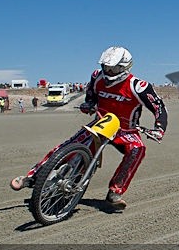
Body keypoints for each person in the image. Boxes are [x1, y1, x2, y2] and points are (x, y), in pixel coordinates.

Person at [10, 46, 168, 209]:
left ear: (124, 67)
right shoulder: (96, 77)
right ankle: (33, 176)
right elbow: (90, 95)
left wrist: (159, 128)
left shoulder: (139, 86)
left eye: (113, 68)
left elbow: (159, 107)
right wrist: (89, 104)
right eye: (106, 67)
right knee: (69, 145)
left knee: (137, 149)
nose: (109, 71)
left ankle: (115, 192)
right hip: (101, 122)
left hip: (125, 129)